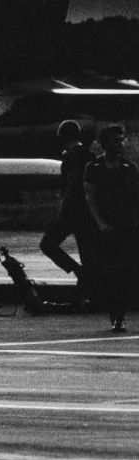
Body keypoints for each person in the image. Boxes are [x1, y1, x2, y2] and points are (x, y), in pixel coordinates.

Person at [84, 125, 139, 332]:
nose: (120, 144)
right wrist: (100, 223)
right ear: (105, 143)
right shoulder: (94, 168)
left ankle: (120, 315)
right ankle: (112, 309)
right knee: (108, 272)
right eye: (116, 140)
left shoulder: (130, 168)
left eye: (121, 140)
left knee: (126, 271)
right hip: (105, 228)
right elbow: (90, 197)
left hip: (126, 226)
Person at [39, 120, 98, 298]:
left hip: (72, 212)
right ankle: (88, 285)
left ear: (61, 137)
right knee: (87, 253)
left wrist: (61, 211)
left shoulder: (70, 157)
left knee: (47, 244)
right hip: (88, 212)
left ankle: (78, 272)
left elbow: (71, 187)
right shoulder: (90, 156)